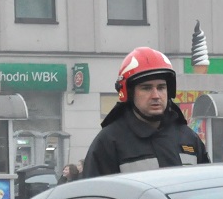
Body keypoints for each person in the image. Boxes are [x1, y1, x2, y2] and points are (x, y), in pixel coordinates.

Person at [82, 47, 209, 177]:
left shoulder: (188, 138)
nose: (156, 95)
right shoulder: (108, 143)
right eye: (146, 88)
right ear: (129, 94)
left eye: (161, 87)